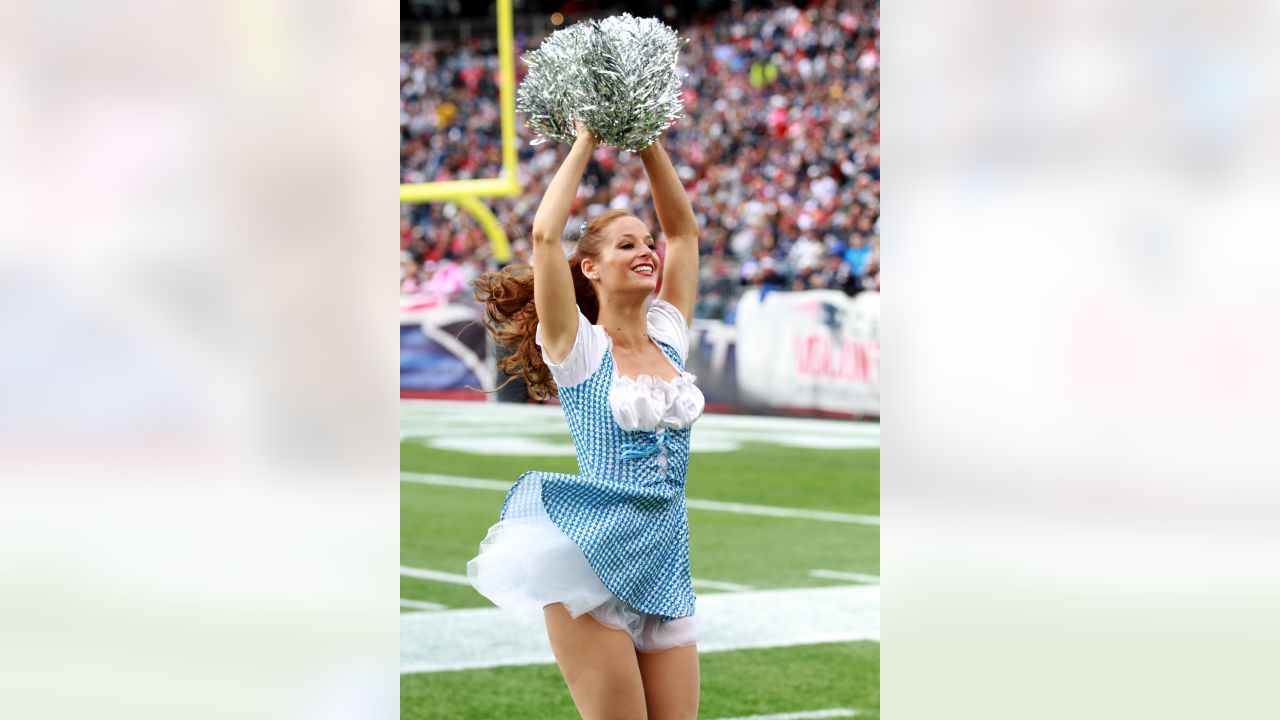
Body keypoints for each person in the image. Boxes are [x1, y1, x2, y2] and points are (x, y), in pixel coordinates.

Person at [468, 121, 703, 720]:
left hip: (666, 563)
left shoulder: (669, 336)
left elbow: (684, 232)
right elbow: (546, 237)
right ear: (591, 269)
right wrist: (587, 139)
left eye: (645, 243)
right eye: (626, 245)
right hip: (589, 564)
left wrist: (644, 131)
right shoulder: (579, 349)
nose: (647, 251)